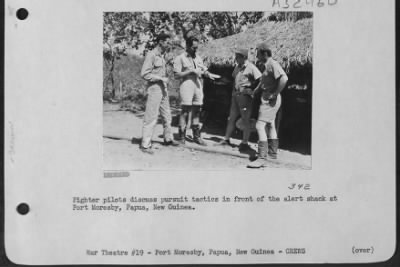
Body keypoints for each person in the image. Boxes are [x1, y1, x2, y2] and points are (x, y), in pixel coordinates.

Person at [248, 42, 288, 168]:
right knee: (270, 125)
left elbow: (284, 78)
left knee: (260, 125)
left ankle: (262, 157)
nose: (257, 56)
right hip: (268, 97)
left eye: (258, 54)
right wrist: (256, 91)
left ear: (264, 53)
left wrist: (275, 93)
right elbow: (264, 80)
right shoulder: (266, 65)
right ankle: (272, 153)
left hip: (270, 99)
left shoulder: (272, 64)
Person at [173, 36, 218, 146]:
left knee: (197, 110)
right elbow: (176, 75)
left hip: (198, 85)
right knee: (185, 111)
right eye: (193, 48)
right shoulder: (180, 58)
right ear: (187, 46)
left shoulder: (198, 58)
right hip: (186, 85)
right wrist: (190, 72)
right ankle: (182, 137)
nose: (195, 50)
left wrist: (208, 74)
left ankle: (196, 136)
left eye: (196, 48)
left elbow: (203, 70)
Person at [139, 32, 177, 154]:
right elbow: (144, 74)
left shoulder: (162, 56)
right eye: (166, 42)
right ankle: (145, 145)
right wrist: (161, 79)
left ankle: (168, 139)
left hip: (163, 89)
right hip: (154, 88)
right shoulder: (151, 55)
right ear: (160, 42)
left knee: (167, 115)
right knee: (151, 117)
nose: (168, 44)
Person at [217, 48, 262, 153]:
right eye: (236, 56)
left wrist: (253, 91)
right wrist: (233, 92)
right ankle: (226, 139)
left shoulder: (251, 67)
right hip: (236, 95)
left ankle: (245, 143)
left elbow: (260, 79)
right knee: (231, 118)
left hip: (245, 97)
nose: (236, 59)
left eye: (238, 57)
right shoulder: (237, 67)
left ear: (244, 57)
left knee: (245, 120)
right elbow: (234, 79)